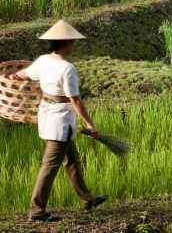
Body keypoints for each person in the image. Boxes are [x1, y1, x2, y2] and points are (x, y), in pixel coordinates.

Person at [11, 19, 107, 222]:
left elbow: (23, 75)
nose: (74, 45)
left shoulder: (43, 60)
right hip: (60, 123)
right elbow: (75, 100)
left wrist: (11, 77)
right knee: (50, 165)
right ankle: (37, 211)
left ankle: (88, 199)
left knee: (72, 160)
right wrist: (91, 124)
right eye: (72, 41)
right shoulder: (67, 68)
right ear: (65, 43)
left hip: (48, 116)